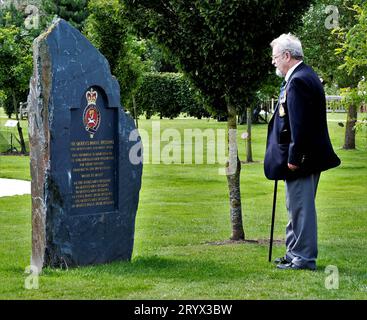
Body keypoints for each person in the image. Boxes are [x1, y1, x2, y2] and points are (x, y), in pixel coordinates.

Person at [264, 33, 341, 270]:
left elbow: (301, 124)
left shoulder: (298, 80)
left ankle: (304, 258)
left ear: (287, 55)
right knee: (295, 206)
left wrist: (295, 158)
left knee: (301, 208)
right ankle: (293, 252)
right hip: (303, 157)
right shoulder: (301, 76)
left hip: (302, 159)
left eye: (275, 57)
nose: (273, 61)